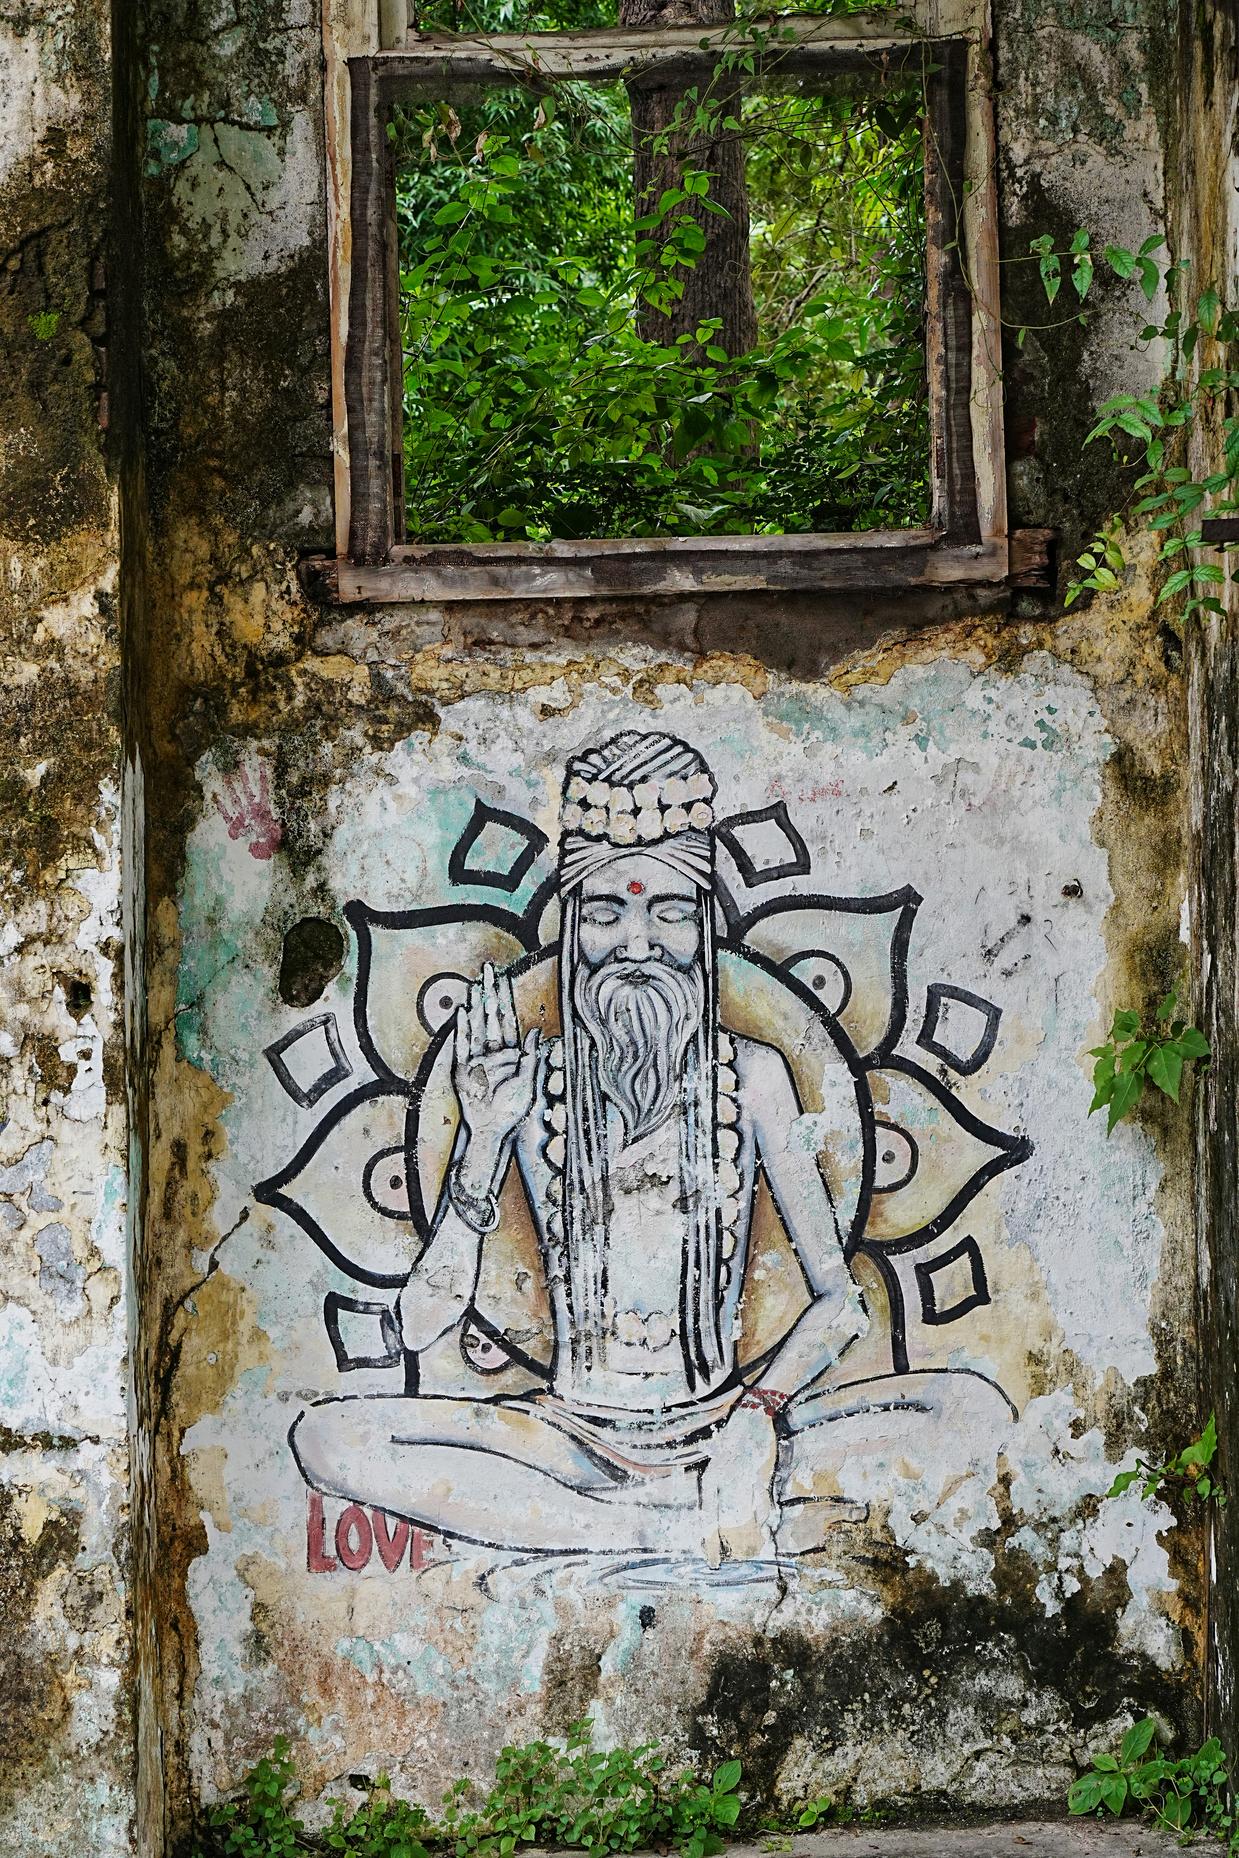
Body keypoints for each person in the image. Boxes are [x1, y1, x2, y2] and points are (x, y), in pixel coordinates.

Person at [291, 732, 1011, 1563]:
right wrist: (484, 1137)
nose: (637, 944)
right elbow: (422, 1325)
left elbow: (837, 1303)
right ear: (573, 929)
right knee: (329, 1438)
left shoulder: (754, 1075)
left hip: (727, 1424)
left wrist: (757, 1415)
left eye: (667, 913)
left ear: (703, 928)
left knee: (970, 1411)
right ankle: (658, 1529)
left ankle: (653, 1509)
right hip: (569, 1443)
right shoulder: (525, 1084)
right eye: (605, 914)